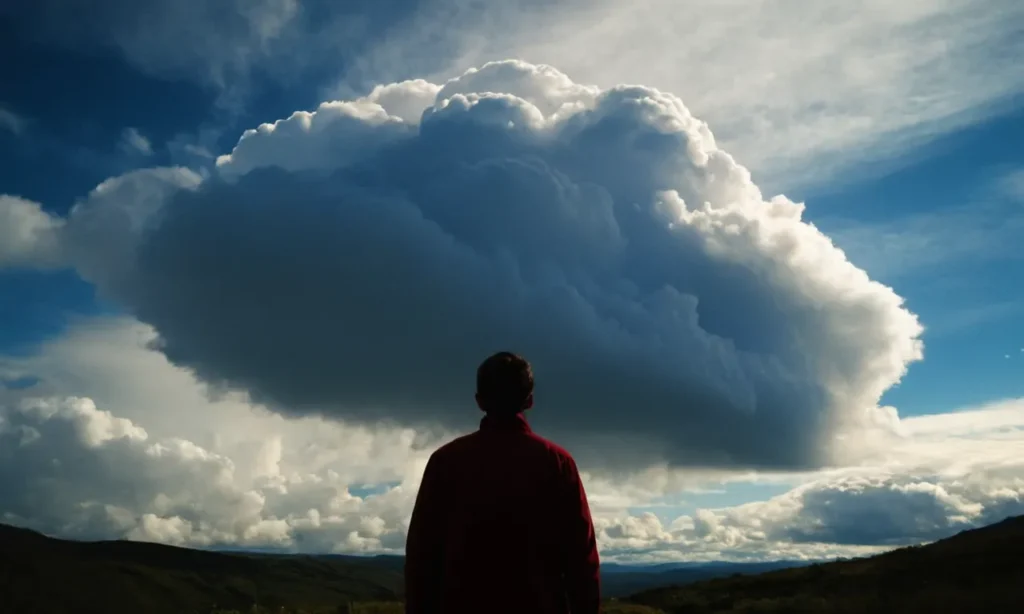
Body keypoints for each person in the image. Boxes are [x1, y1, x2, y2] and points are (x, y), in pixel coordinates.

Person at [404, 352, 601, 614]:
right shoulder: (558, 463)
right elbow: (581, 556)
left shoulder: (445, 462)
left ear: (479, 401)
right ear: (529, 400)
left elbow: (422, 555)